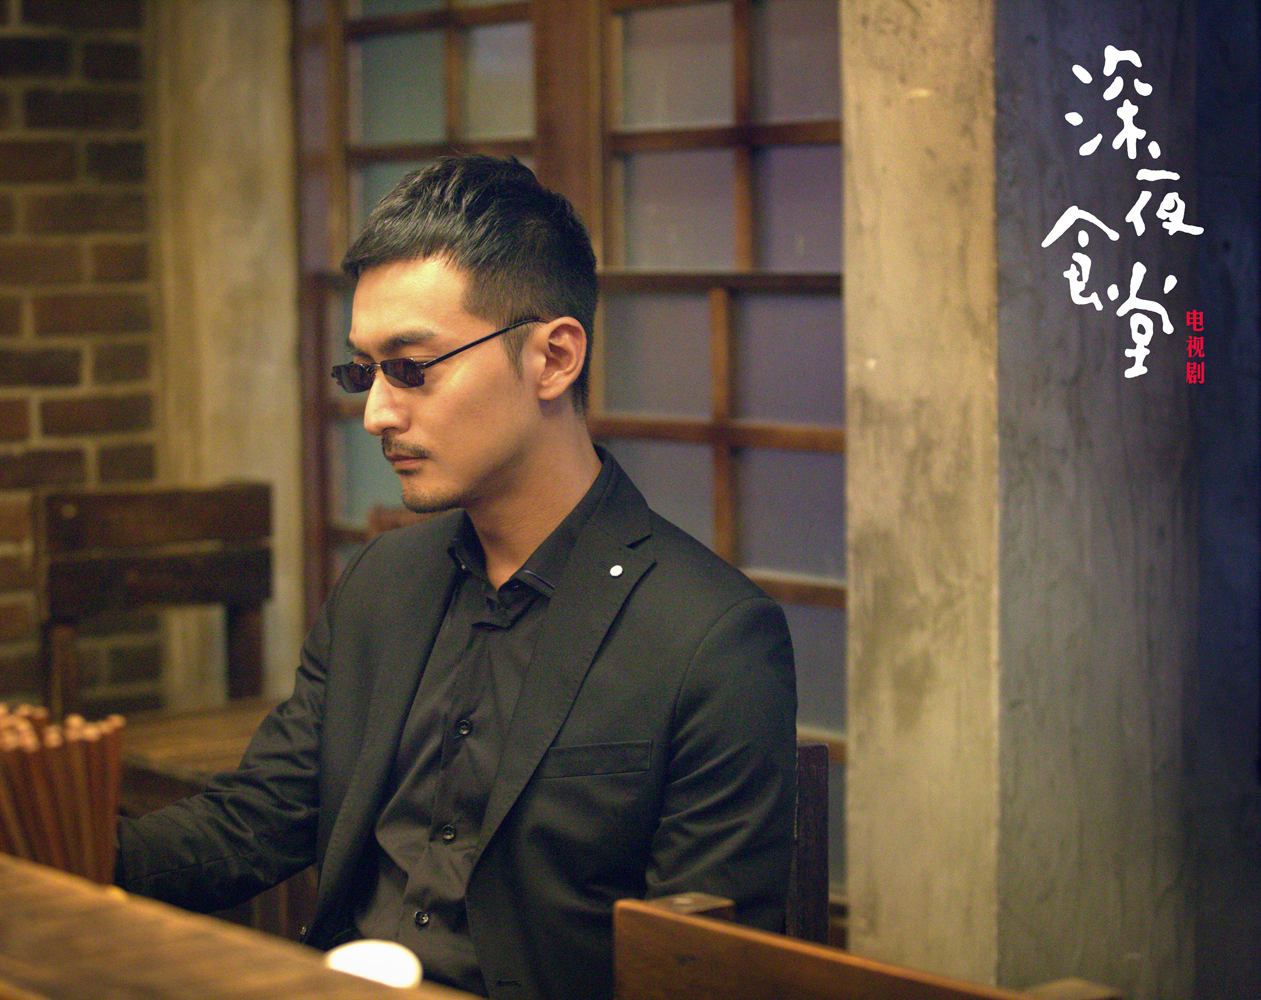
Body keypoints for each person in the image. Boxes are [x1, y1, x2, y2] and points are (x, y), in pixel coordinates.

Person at [114, 155, 797, 1000]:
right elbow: (255, 818)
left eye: (412, 367)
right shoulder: (383, 584)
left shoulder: (710, 638)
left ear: (553, 358)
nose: (376, 412)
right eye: (363, 371)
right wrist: (40, 843)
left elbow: (703, 974)